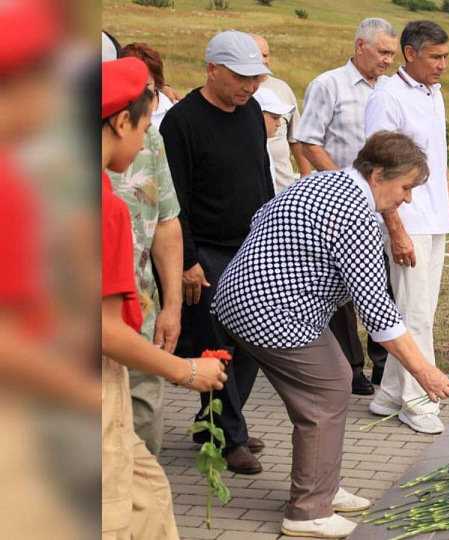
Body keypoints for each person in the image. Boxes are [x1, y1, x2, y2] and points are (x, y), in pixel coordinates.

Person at [213, 131, 449, 539]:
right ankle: (307, 511)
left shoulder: (323, 181)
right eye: (406, 188)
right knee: (327, 389)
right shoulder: (358, 216)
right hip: (272, 311)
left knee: (330, 385)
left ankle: (321, 485)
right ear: (378, 174)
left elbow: (260, 219)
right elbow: (377, 311)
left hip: (241, 296)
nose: (408, 199)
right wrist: (424, 372)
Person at [102, 56, 227, 540]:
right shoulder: (105, 208)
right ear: (120, 120)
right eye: (146, 125)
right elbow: (102, 329)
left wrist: (170, 305)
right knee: (117, 507)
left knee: (148, 493)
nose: (147, 142)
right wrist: (185, 370)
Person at [160, 30, 274, 475]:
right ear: (213, 69)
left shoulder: (252, 113)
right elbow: (174, 200)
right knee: (216, 344)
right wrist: (187, 260)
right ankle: (229, 438)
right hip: (204, 251)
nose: (251, 86)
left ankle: (219, 425)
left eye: (256, 77)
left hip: (250, 245)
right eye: (242, 77)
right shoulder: (182, 121)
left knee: (255, 340)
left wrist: (270, 237)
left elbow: (262, 178)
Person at [364, 20, 449, 434]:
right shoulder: (387, 96)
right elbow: (377, 169)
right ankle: (417, 399)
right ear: (410, 53)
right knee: (415, 314)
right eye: (435, 57)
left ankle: (389, 393)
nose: (443, 65)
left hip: (434, 219)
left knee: (422, 310)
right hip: (406, 219)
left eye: (446, 57)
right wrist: (396, 229)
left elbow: (436, 163)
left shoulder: (433, 93)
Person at [295, 17, 399, 395]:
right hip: (341, 205)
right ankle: (349, 367)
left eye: (392, 52)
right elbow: (308, 141)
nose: (388, 60)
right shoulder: (329, 84)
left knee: (382, 285)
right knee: (339, 290)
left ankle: (384, 364)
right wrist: (346, 184)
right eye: (382, 52)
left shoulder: (390, 89)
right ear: (360, 45)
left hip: (384, 206)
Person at [106, 42, 185, 457]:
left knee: (142, 451)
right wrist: (188, 371)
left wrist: (172, 305)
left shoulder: (149, 137)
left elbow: (166, 221)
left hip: (141, 316)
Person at [250, 34, 312, 192]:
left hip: (284, 189)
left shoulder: (282, 89)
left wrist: (305, 173)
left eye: (266, 55)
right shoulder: (238, 93)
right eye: (259, 56)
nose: (265, 61)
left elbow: (296, 138)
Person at [253, 87, 295, 186]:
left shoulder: (264, 145)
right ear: (256, 114)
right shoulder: (249, 149)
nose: (279, 124)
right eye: (274, 118)